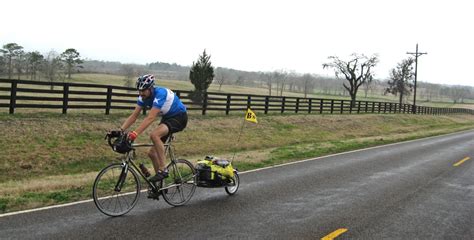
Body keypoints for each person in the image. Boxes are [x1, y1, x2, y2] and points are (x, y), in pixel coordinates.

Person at [118, 74, 188, 183]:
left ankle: (163, 169)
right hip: (167, 118)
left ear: (151, 88)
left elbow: (150, 118)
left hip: (179, 117)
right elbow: (134, 116)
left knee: (154, 135)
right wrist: (120, 131)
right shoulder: (143, 97)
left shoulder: (160, 94)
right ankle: (160, 185)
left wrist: (134, 134)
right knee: (152, 153)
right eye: (139, 91)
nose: (141, 93)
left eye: (144, 90)